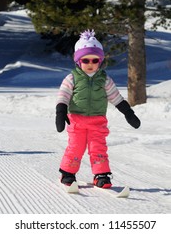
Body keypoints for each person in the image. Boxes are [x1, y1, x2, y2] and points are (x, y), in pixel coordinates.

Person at [55, 30, 141, 188]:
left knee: (98, 148)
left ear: (100, 61)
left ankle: (101, 175)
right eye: (85, 60)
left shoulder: (105, 80)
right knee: (75, 147)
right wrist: (61, 113)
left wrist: (129, 113)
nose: (90, 64)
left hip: (97, 121)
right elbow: (63, 96)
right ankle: (68, 173)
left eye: (94, 60)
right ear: (78, 61)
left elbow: (116, 98)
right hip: (77, 121)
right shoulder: (72, 78)